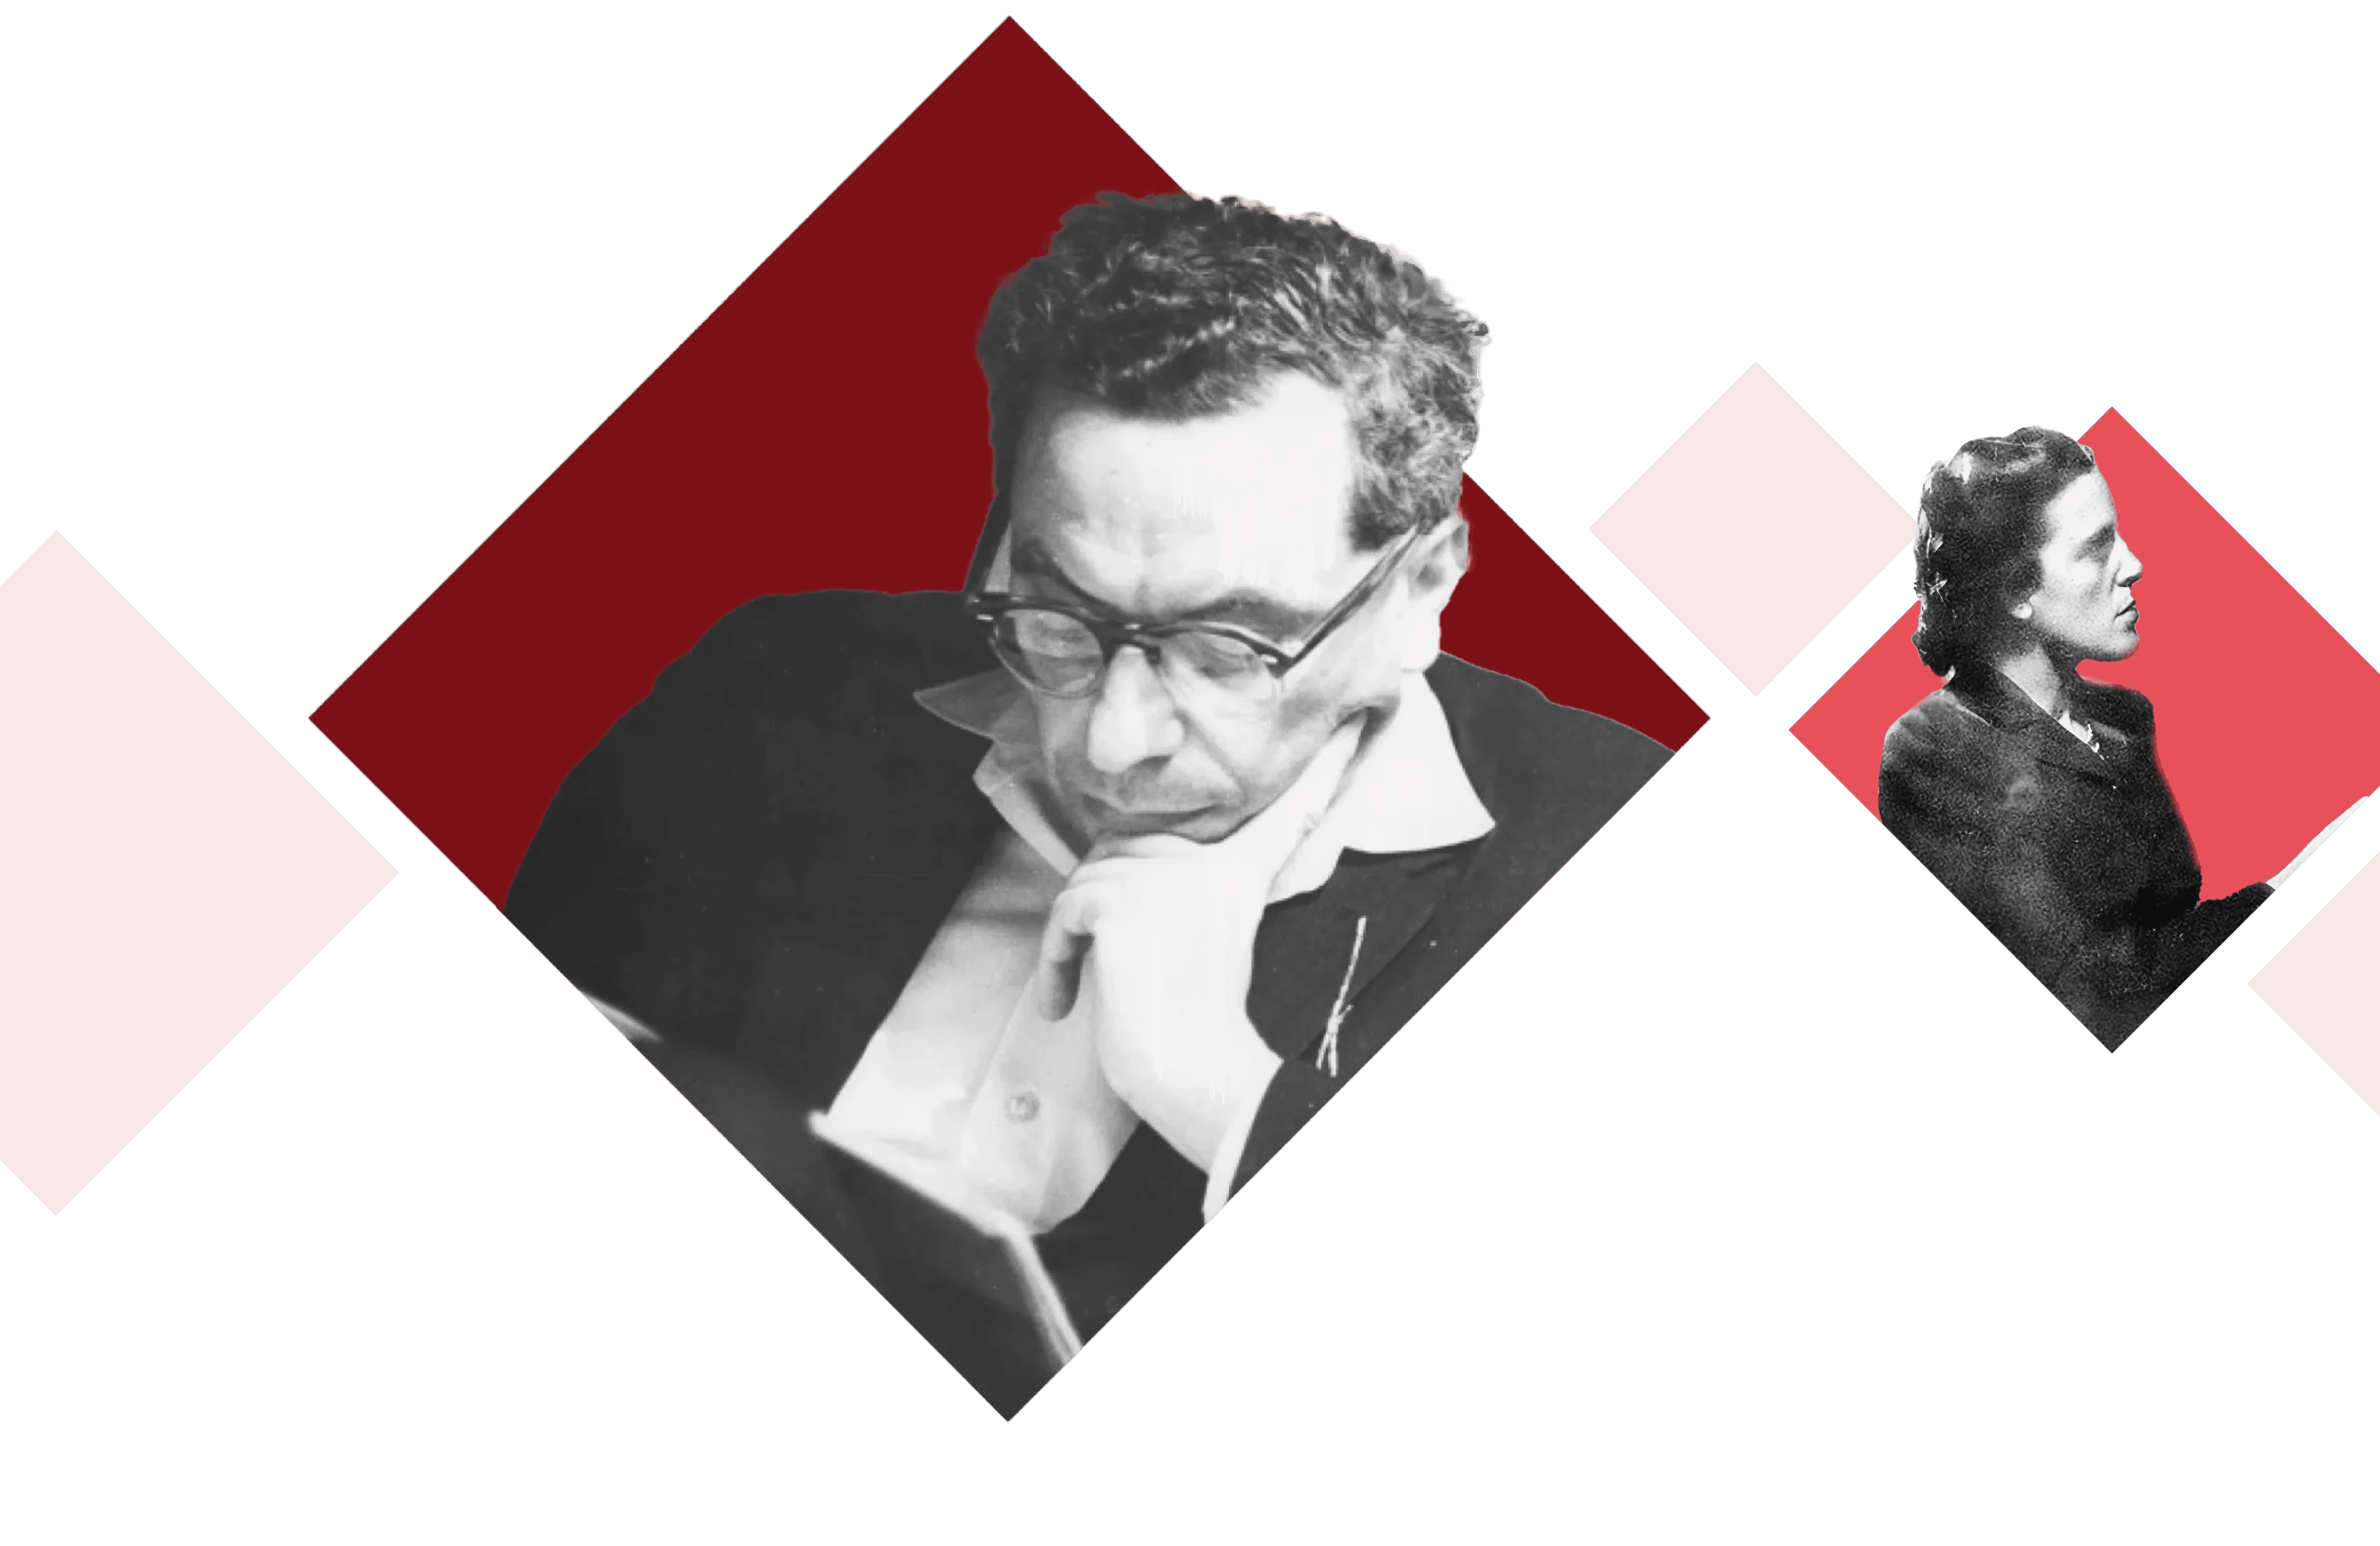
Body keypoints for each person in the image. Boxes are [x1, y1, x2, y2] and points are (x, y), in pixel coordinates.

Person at [505, 193, 1667, 1412]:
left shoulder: (1613, 845)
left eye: (1225, 647)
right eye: (1057, 614)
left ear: (1421, 586)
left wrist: (1229, 1096)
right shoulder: (766, 691)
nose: (1113, 739)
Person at [1877, 427, 2267, 1050]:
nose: (2133, 566)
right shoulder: (1931, 749)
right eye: (2097, 547)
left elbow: (2172, 927)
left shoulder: (2124, 719)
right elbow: (2087, 994)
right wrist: (2276, 898)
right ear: (2017, 592)